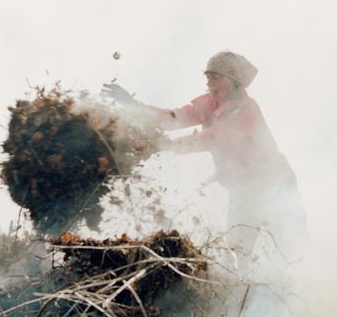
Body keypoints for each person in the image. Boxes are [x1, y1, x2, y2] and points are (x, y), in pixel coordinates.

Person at [104, 51, 307, 266]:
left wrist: (166, 145)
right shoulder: (209, 104)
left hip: (275, 188)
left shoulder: (246, 111)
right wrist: (132, 105)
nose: (209, 83)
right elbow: (172, 118)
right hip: (243, 192)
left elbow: (211, 138)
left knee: (294, 250)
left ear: (234, 79)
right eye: (208, 77)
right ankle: (240, 295)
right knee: (237, 255)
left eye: (216, 77)